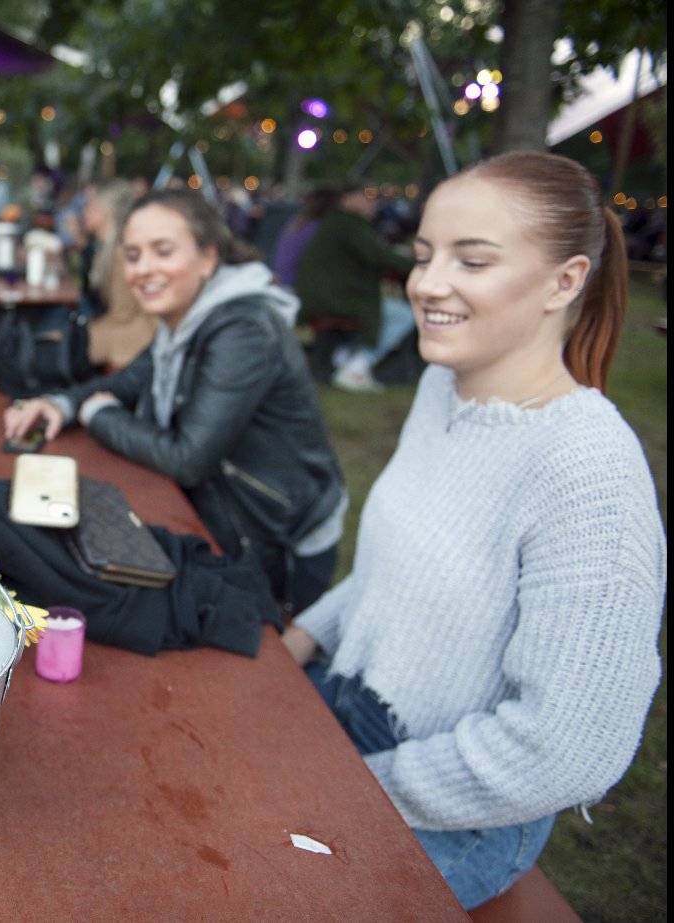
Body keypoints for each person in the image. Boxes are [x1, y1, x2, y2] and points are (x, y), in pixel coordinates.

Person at [282, 152, 665, 910]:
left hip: (463, 807)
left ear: (567, 280)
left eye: (472, 260)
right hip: (348, 706)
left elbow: (567, 749)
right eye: (423, 255)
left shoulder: (589, 472)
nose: (426, 282)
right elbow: (395, 570)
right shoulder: (440, 387)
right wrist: (296, 642)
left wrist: (365, 780)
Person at [4, 188, 346, 615]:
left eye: (162, 251)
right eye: (132, 256)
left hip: (275, 536)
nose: (143, 269)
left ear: (208, 256)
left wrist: (98, 414)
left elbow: (189, 458)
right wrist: (61, 404)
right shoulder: (184, 318)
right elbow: (132, 380)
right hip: (217, 514)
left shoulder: (242, 329)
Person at [294, 183, 415, 392]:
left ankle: (344, 358)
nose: (373, 202)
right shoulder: (349, 224)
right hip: (336, 298)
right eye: (366, 196)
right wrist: (419, 265)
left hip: (322, 295)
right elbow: (377, 255)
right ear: (348, 199)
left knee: (390, 310)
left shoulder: (334, 222)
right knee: (405, 315)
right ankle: (357, 365)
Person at [77, 178, 155, 371]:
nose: (83, 211)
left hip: (131, 340)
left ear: (106, 211)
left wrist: (85, 333)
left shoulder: (120, 254)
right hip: (121, 331)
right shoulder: (103, 249)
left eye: (90, 205)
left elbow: (122, 315)